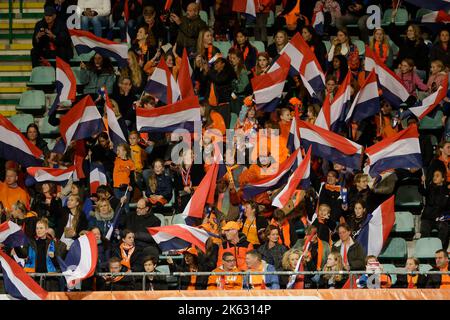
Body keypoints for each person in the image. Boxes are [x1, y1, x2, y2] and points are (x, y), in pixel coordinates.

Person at [419, 170, 449, 250]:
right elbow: (422, 191)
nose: (434, 177)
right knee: (424, 230)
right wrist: (422, 182)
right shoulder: (430, 188)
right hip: (427, 218)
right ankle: (425, 251)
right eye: (433, 176)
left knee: (445, 228)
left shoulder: (447, 190)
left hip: (440, 218)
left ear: (443, 178)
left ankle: (440, 250)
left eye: (437, 176)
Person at [228, 48, 251, 115]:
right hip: (232, 97)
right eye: (231, 58)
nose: (231, 60)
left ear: (239, 59)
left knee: (238, 117)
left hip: (239, 98)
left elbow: (244, 86)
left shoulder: (242, 70)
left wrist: (233, 88)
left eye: (234, 58)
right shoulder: (231, 69)